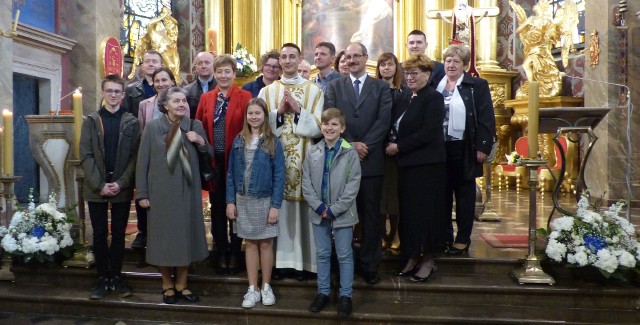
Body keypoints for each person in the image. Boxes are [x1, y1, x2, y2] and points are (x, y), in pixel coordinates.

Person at [324, 42, 392, 285]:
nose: (352, 60)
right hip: (342, 159)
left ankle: (370, 264)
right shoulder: (333, 86)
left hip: (371, 161)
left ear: (365, 58)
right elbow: (330, 119)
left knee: (371, 215)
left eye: (356, 56)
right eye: (348, 56)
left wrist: (365, 146)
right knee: (340, 216)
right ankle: (340, 264)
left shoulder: (381, 88)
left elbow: (384, 121)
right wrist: (350, 144)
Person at [136, 87, 210, 304]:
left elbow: (209, 153)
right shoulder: (152, 127)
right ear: (165, 105)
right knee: (164, 240)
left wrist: (200, 141)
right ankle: (167, 284)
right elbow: (142, 162)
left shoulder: (194, 125)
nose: (181, 104)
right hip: (160, 193)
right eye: (176, 101)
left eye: (184, 101)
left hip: (188, 191)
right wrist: (142, 193)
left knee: (187, 237)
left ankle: (182, 284)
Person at [258, 43, 324, 280]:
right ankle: (279, 263)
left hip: (304, 163)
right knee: (277, 210)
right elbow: (258, 124)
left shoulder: (314, 91)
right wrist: (277, 112)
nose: (287, 61)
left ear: (299, 59)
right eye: (283, 57)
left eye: (291, 57)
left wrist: (298, 111)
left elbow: (319, 128)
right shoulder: (267, 92)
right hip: (275, 162)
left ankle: (304, 264)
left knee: (302, 214)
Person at [385, 54, 447, 282]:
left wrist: (398, 147)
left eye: (415, 73)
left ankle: (428, 260)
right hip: (407, 166)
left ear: (427, 75)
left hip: (427, 166)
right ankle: (411, 255)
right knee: (408, 214)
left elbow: (428, 132)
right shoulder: (404, 98)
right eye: (407, 73)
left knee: (426, 214)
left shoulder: (433, 98)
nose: (409, 77)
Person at [80, 74, 140, 300]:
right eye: (109, 91)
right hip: (96, 188)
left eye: (117, 91)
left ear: (123, 95)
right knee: (99, 234)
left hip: (121, 188)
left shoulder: (131, 121)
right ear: (103, 93)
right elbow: (85, 155)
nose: (113, 95)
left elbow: (135, 156)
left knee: (117, 235)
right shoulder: (92, 121)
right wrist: (100, 184)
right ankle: (101, 277)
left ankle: (116, 276)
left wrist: (120, 183)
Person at [434, 45, 495, 255]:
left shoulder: (476, 85)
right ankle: (443, 235)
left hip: (464, 147)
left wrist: (483, 146)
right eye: (448, 61)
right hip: (439, 148)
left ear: (465, 65)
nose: (451, 65)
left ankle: (462, 238)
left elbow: (486, 117)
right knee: (441, 194)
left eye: (456, 61)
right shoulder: (436, 85)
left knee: (465, 195)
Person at [196, 54, 253, 275]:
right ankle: (221, 251)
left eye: (227, 71)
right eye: (219, 71)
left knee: (237, 207)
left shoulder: (245, 95)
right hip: (215, 161)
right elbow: (200, 125)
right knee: (218, 207)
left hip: (238, 159)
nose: (223, 75)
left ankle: (236, 252)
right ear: (214, 73)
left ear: (234, 73)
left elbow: (252, 124)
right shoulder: (207, 98)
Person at [226, 98, 285, 309]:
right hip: (243, 199)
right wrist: (230, 201)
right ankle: (252, 288)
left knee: (266, 243)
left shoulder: (273, 141)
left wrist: (275, 205)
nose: (254, 117)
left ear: (264, 115)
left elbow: (280, 176)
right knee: (250, 243)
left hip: (265, 199)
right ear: (246, 116)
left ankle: (266, 285)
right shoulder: (238, 140)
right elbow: (231, 174)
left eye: (258, 113)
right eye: (250, 113)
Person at [302, 108, 361, 317]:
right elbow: (306, 183)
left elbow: (353, 185)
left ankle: (346, 295)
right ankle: (323, 292)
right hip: (319, 212)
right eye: (326, 124)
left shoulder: (349, 152)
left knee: (344, 255)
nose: (329, 127)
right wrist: (319, 207)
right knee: (323, 254)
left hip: (342, 213)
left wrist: (334, 209)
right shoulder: (313, 151)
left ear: (342, 128)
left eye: (335, 124)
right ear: (321, 127)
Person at [124, 49, 162, 250]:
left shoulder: (172, 90)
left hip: (165, 148)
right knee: (143, 190)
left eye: (155, 61)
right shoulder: (132, 90)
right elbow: (130, 121)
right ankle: (143, 231)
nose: (151, 64)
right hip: (142, 146)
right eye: (147, 61)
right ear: (142, 65)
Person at [375, 52, 407, 250]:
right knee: (378, 196)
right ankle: (379, 234)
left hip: (396, 149)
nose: (386, 68)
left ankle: (394, 234)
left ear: (396, 68)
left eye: (390, 65)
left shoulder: (403, 91)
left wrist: (396, 143)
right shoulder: (374, 89)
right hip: (377, 148)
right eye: (382, 65)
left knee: (394, 196)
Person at [185, 51, 217, 119]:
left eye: (207, 62)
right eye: (200, 63)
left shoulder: (221, 88)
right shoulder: (187, 91)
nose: (203, 66)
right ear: (196, 67)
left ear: (214, 65)